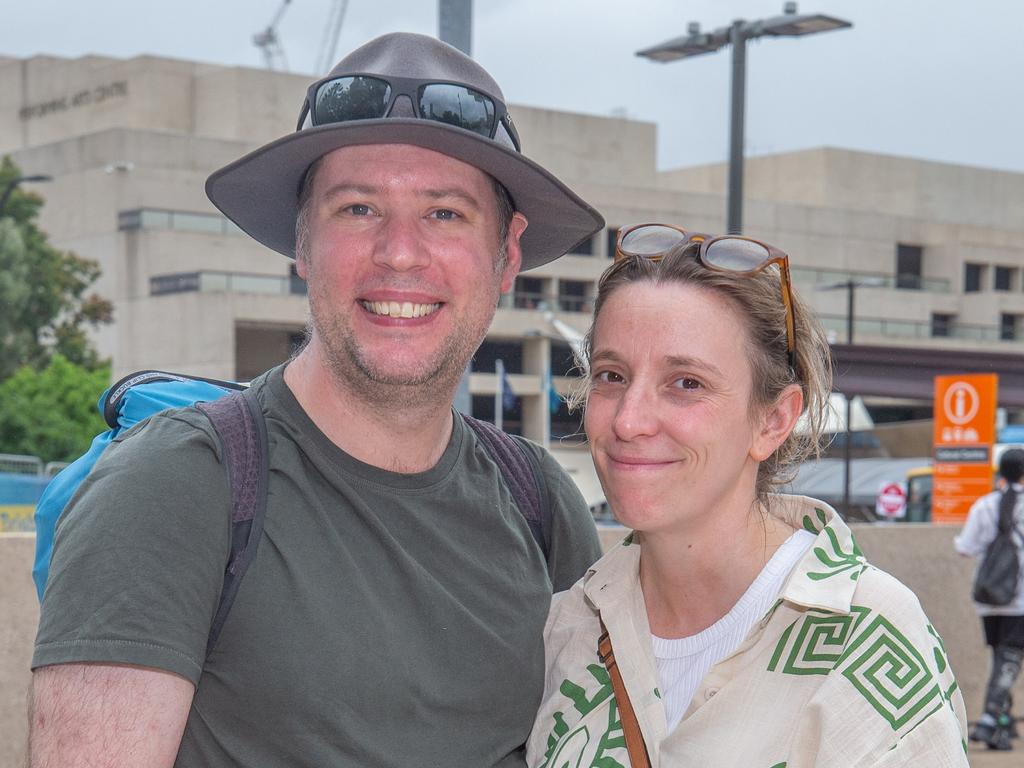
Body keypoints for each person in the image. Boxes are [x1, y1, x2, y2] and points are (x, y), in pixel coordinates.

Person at [29, 33, 605, 767]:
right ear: (302, 244)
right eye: (358, 208)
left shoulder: (540, 504)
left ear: (508, 254)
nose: (400, 253)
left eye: (446, 214)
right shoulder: (173, 487)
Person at [527, 225, 969, 767]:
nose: (628, 419)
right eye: (611, 375)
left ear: (774, 419)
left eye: (686, 382)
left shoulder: (865, 634)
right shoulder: (570, 625)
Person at [955, 448, 1024, 751]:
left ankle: (1002, 728)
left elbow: (965, 547)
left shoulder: (985, 505)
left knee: (1000, 656)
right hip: (1020, 598)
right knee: (1009, 658)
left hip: (990, 596)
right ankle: (988, 718)